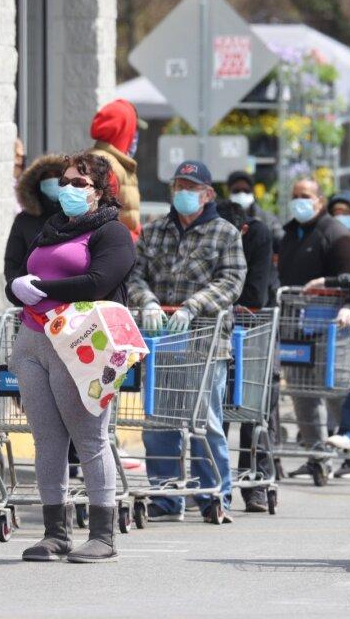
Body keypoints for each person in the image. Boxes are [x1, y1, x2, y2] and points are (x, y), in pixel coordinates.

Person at [6, 152, 134, 563]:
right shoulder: (52, 227)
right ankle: (54, 532)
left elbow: (99, 281)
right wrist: (17, 289)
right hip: (32, 340)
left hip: (79, 343)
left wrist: (42, 286)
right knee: (47, 440)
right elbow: (20, 277)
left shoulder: (113, 232)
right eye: (65, 181)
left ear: (100, 192)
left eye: (79, 183)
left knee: (90, 439)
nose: (68, 189)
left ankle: (102, 534)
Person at [129, 160, 246, 524]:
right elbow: (135, 274)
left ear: (208, 193)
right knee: (158, 420)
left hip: (205, 341)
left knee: (204, 421)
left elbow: (230, 282)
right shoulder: (154, 231)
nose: (182, 192)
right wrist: (146, 301)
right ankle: (165, 496)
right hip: (162, 340)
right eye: (178, 185)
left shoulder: (225, 233)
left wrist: (192, 307)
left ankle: (214, 494)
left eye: (190, 187)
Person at [277, 178, 350, 479]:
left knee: (335, 388)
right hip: (296, 326)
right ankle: (317, 455)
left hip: (332, 327)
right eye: (295, 195)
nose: (299, 200)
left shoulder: (337, 235)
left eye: (306, 196)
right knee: (301, 392)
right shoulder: (290, 233)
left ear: (320, 201)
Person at [215, 200, 276, 511]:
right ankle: (216, 483)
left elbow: (256, 294)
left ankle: (256, 483)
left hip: (255, 330)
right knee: (219, 410)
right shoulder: (210, 237)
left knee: (254, 409)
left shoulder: (258, 236)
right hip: (219, 331)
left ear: (243, 230)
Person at [5, 154, 70, 289]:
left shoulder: (75, 215)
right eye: (46, 177)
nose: (52, 180)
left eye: (57, 175)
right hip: (33, 294)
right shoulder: (24, 220)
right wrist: (19, 290)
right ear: (37, 183)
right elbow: (12, 263)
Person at [86, 99, 143, 241]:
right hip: (114, 248)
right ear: (124, 130)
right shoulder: (104, 165)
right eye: (134, 128)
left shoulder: (117, 163)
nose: (135, 135)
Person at [227, 170, 284, 251]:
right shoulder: (222, 218)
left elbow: (281, 241)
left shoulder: (267, 219)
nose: (241, 194)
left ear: (252, 192)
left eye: (246, 191)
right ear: (229, 192)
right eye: (236, 191)